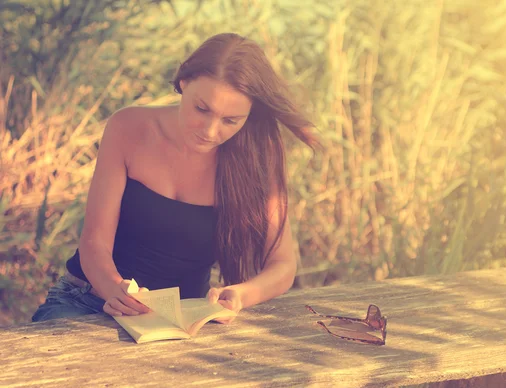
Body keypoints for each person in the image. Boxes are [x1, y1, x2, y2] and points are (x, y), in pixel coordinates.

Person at [31, 32, 318, 324]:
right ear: (184, 81)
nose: (209, 130)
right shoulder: (128, 127)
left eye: (230, 120)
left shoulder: (256, 157)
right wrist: (113, 289)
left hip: (180, 319)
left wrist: (241, 295)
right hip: (88, 299)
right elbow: (94, 243)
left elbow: (282, 265)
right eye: (201, 109)